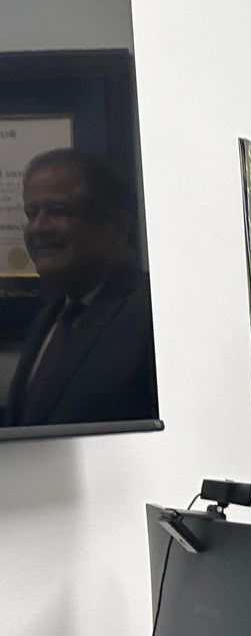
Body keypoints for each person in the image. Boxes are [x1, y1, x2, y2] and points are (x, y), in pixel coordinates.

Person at [6, 149, 157, 427]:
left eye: (57, 211)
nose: (38, 227)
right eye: (31, 213)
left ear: (116, 227)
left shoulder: (154, 316)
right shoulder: (50, 319)